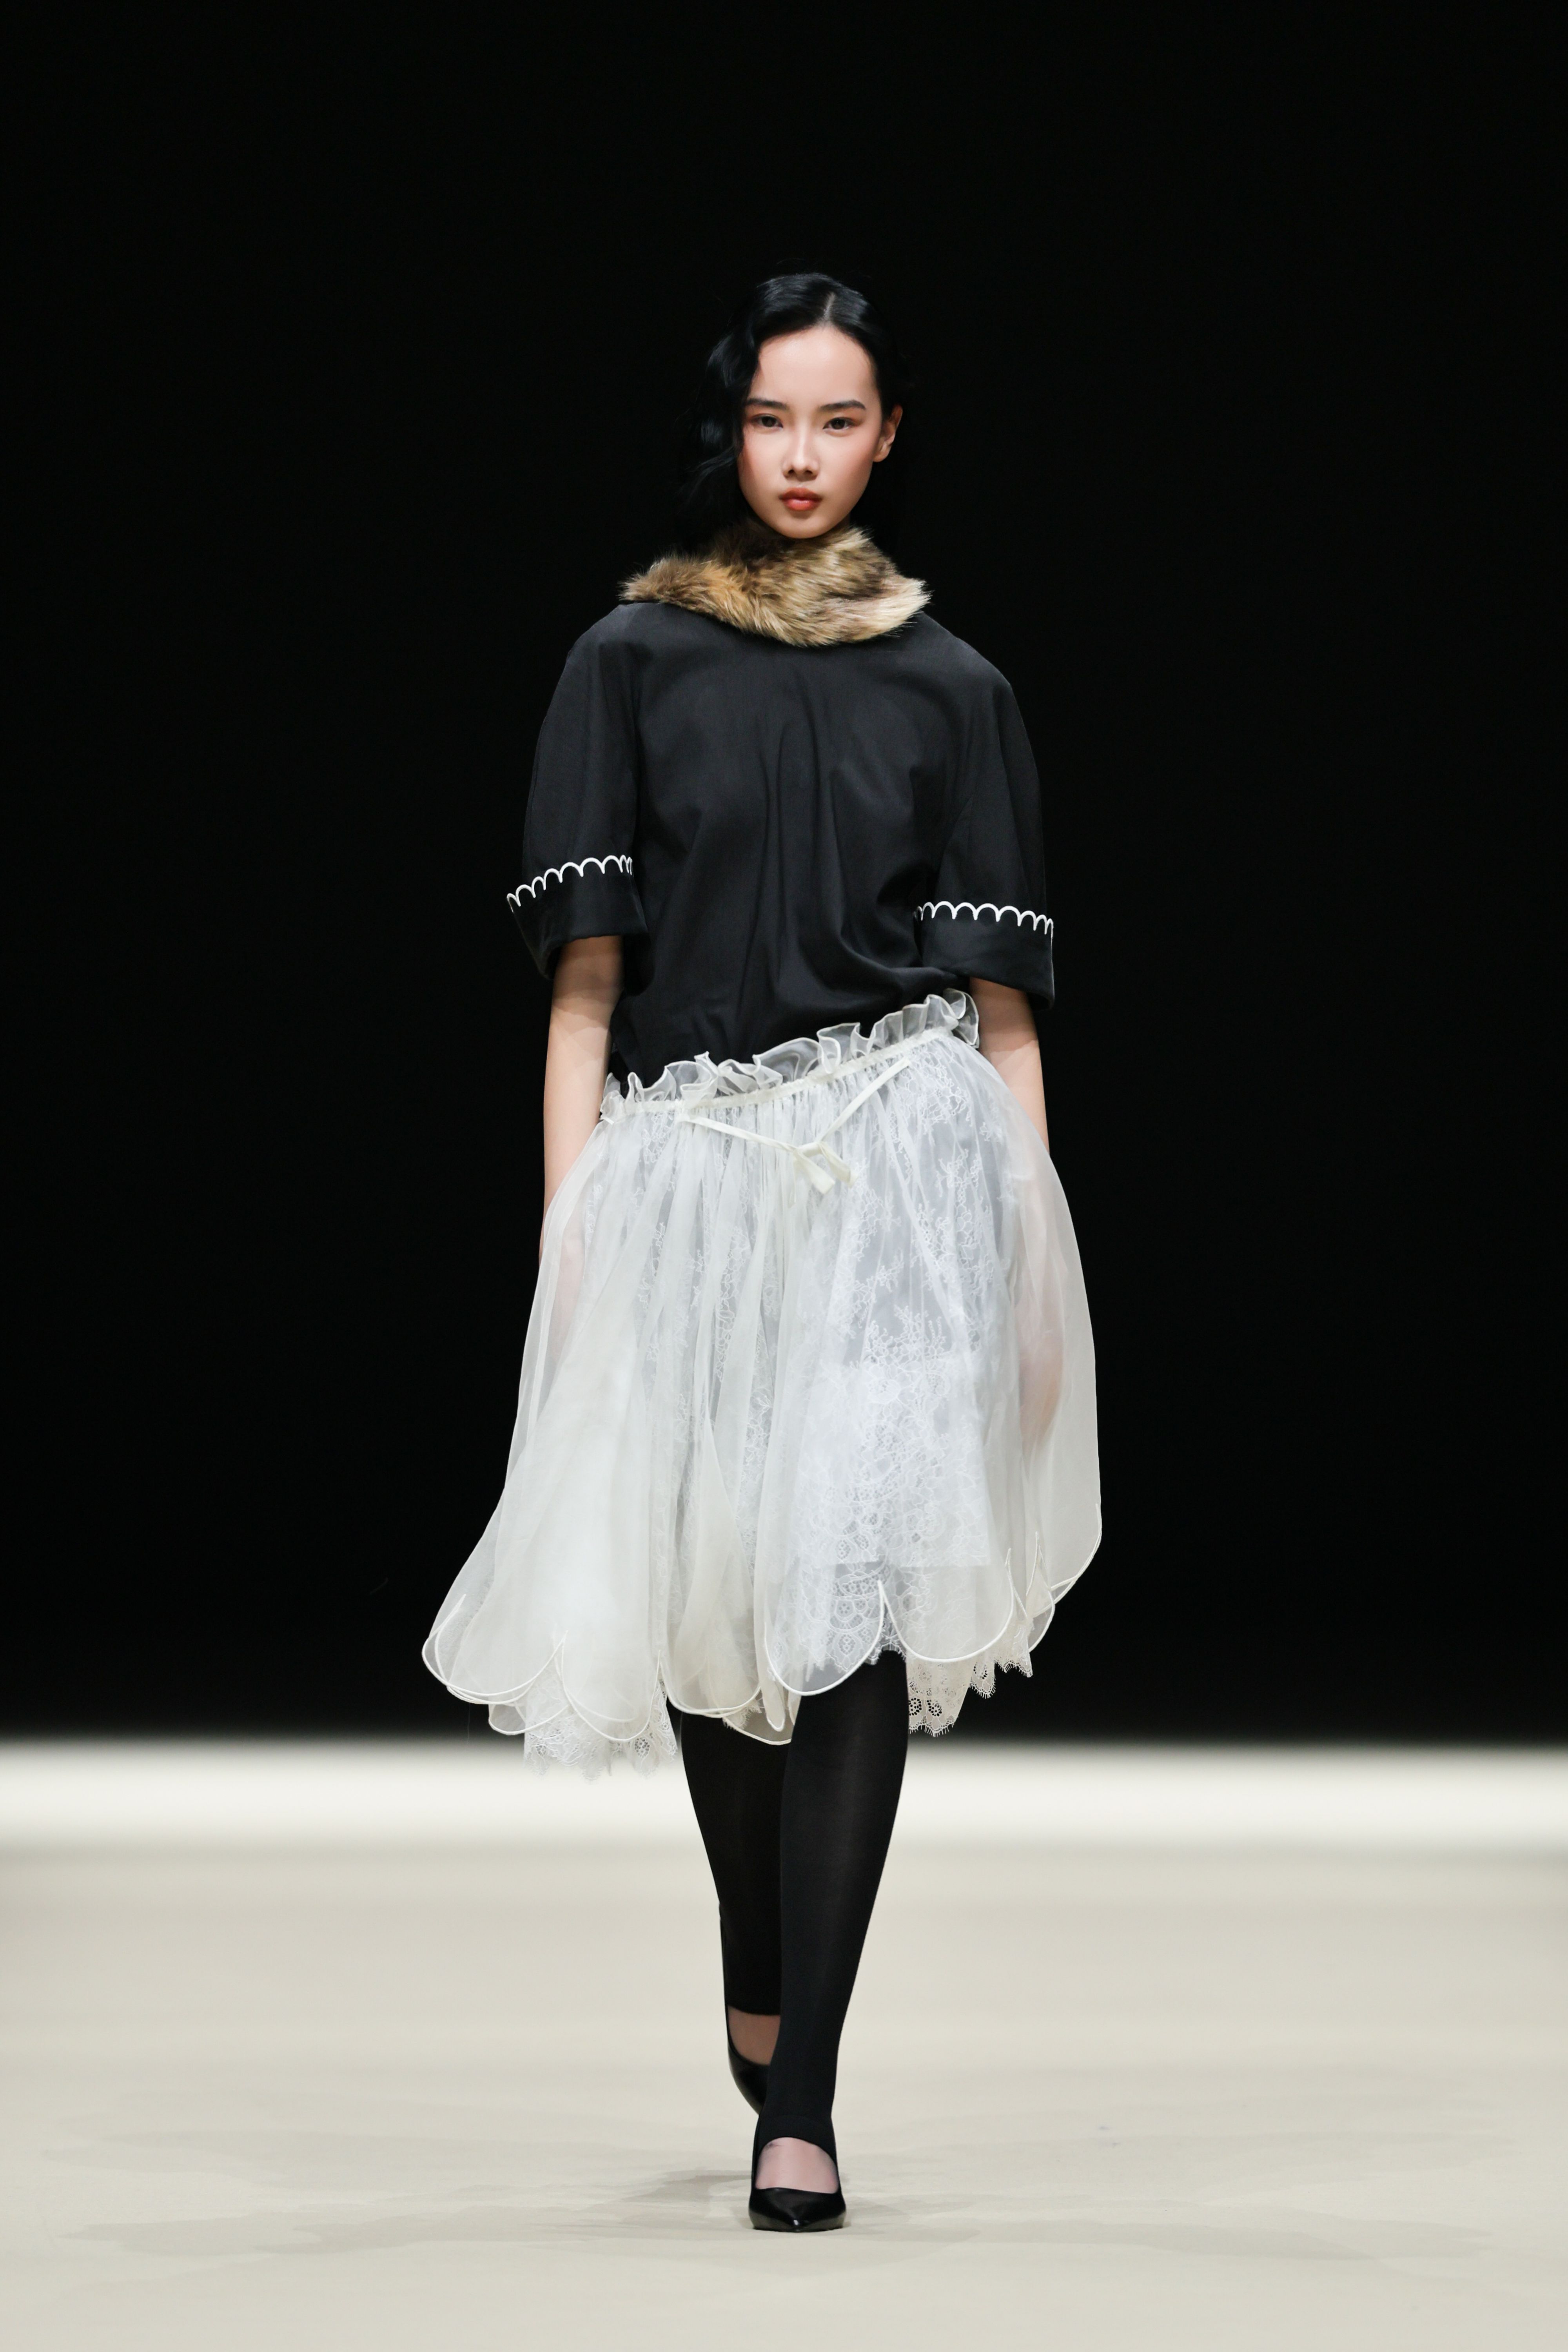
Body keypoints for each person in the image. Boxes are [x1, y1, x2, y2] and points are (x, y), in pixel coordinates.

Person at [425, 274, 1100, 2232]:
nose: (802, 457)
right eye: (771, 419)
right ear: (731, 433)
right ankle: (755, 1946)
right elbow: (581, 997)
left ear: (888, 438)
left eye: (840, 420)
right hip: (688, 1181)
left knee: (855, 1607)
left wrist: (1030, 1267)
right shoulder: (627, 663)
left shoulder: (954, 687)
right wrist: (571, 1245)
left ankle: (800, 2100)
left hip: (897, 1180)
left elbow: (1002, 1020)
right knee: (713, 1614)